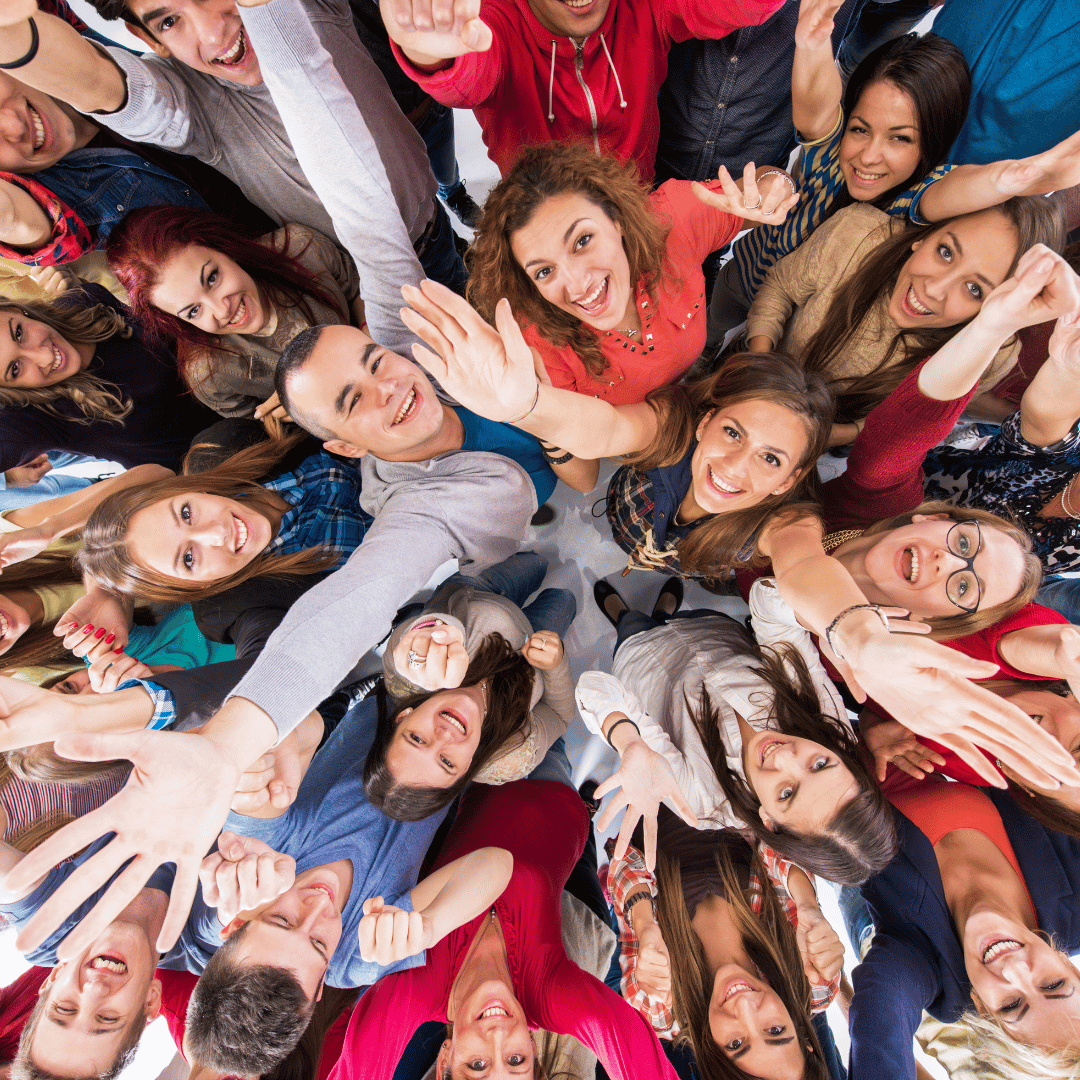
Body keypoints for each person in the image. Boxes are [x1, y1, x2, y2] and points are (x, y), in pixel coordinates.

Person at [400, 268, 1080, 797]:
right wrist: (528, 405)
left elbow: (800, 560)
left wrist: (864, 644)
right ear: (937, 516)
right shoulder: (879, 498)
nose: (941, 566)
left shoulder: (790, 520)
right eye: (962, 541)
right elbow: (912, 423)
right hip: (659, 522)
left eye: (963, 586)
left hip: (714, 566)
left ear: (941, 618)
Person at [0, 0, 453, 354]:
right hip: (374, 288)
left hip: (432, 212)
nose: (214, 32)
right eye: (169, 22)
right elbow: (99, 81)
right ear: (146, 38)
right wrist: (15, 38)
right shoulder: (191, 103)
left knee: (445, 170)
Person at [176, 688, 513, 1076]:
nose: (318, 905)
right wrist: (430, 925)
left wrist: (265, 755)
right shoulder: (357, 957)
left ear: (236, 923)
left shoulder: (255, 858)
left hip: (401, 688)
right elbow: (496, 864)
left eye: (281, 920)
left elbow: (306, 727)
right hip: (468, 739)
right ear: (321, 987)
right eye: (319, 944)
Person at [710, 14, 1080, 351]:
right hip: (742, 279)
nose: (869, 156)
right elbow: (816, 108)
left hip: (800, 327)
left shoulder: (918, 199)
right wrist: (812, 43)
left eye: (900, 138)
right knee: (706, 341)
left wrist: (1022, 176)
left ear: (929, 144)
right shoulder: (832, 154)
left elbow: (972, 187)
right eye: (861, 129)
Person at [321, 776, 685, 1080]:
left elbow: (358, 1068)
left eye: (476, 1065)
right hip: (555, 786)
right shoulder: (548, 993)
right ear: (533, 1051)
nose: (498, 1036)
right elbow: (629, 1046)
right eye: (516, 1061)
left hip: (481, 774)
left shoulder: (420, 986)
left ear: (446, 1058)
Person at [577, 576, 895, 883]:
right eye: (820, 765)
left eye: (787, 793)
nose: (783, 756)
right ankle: (664, 611)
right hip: (711, 628)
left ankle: (622, 614)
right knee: (670, 615)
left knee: (630, 622)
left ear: (769, 822)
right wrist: (837, 621)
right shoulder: (828, 727)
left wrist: (630, 741)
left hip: (641, 657)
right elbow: (767, 602)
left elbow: (595, 687)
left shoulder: (702, 802)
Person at [465, 142, 798, 407]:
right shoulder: (537, 342)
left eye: (582, 240)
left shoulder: (672, 222)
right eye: (545, 271)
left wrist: (775, 189)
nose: (578, 284)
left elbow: (765, 184)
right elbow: (584, 463)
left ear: (617, 219)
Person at [377, 0, 836, 181]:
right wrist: (429, 51)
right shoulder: (497, 20)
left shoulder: (642, 7)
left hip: (640, 199)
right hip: (542, 218)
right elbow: (467, 74)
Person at [743, 195, 1066, 434]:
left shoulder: (991, 353)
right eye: (945, 252)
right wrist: (760, 368)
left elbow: (912, 421)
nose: (935, 289)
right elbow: (781, 287)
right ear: (924, 236)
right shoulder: (856, 234)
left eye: (974, 289)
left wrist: (839, 435)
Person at [0, 0, 273, 267]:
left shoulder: (48, 40)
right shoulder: (47, 196)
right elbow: (13, 219)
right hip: (272, 272)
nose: (15, 127)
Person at [851, 773, 1080, 1078]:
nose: (1014, 969)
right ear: (1070, 967)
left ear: (982, 1009)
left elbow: (881, 1026)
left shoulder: (925, 968)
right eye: (1053, 984)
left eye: (1011, 1005)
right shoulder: (1074, 896)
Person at [610, 811, 844, 1080]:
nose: (744, 1006)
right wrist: (807, 905)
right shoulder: (812, 979)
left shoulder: (659, 1005)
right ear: (806, 1045)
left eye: (736, 1044)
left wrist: (644, 925)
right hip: (729, 782)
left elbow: (623, 857)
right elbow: (776, 835)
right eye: (776, 1031)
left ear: (713, 1058)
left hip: (644, 800)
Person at [106, 205, 364, 419]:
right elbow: (262, 432)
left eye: (211, 278)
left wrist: (370, 336)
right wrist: (297, 414)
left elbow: (358, 290)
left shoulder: (301, 248)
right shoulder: (210, 374)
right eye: (194, 311)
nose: (221, 310)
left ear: (221, 246)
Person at [373, 552, 575, 813]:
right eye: (446, 762)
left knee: (535, 562)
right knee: (565, 599)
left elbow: (421, 635)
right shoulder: (510, 758)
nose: (443, 735)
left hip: (477, 590)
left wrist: (438, 634)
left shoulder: (404, 671)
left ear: (403, 717)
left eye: (417, 739)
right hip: (539, 640)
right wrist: (556, 666)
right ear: (467, 767)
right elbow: (559, 716)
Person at [78, 433, 370, 602]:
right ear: (195, 588)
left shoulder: (237, 443)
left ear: (189, 488)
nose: (216, 533)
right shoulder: (287, 594)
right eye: (189, 558)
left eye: (186, 513)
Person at [920, 306, 1080, 574]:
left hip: (931, 577)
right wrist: (1068, 367)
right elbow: (1044, 415)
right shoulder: (1068, 452)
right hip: (908, 482)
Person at [0, 282, 219, 473]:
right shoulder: (39, 418)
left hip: (233, 389)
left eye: (19, 333)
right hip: (222, 460)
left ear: (16, 309)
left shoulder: (85, 300)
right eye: (16, 369)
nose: (44, 356)